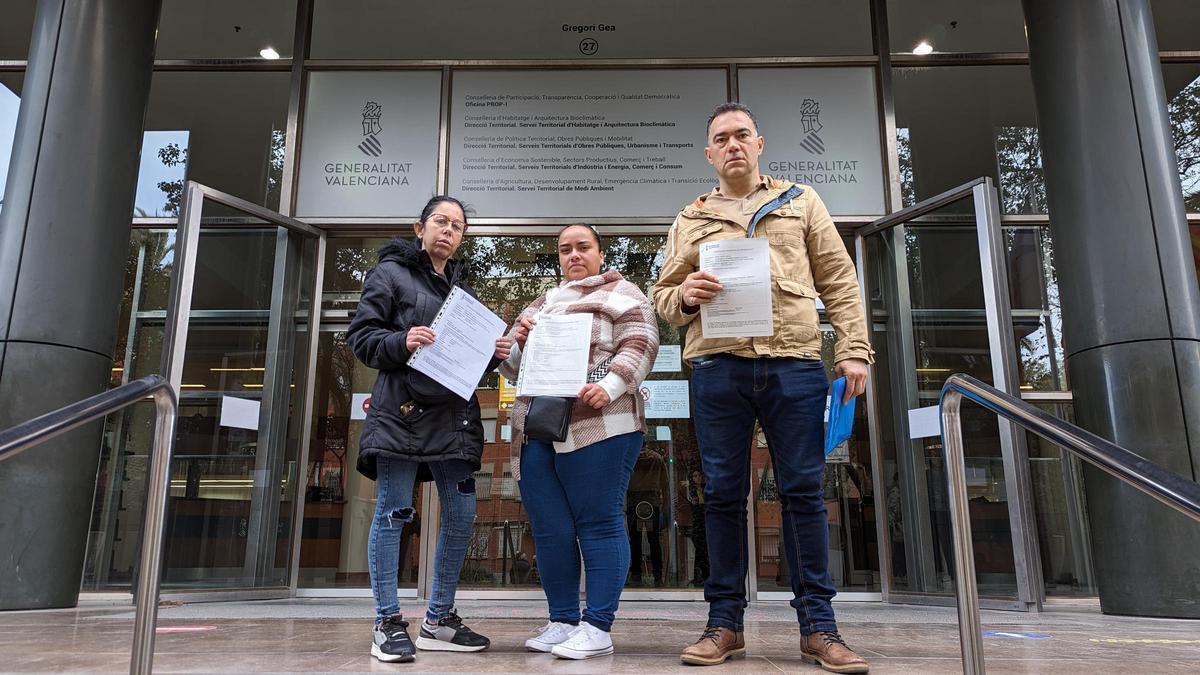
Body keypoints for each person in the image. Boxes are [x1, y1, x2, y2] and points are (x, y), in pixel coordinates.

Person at [652, 102, 874, 674]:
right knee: (723, 493)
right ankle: (724, 624)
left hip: (793, 364)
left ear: (759, 143)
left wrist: (853, 349)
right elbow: (663, 298)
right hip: (718, 367)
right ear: (709, 153)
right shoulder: (689, 217)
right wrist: (687, 295)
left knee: (802, 492)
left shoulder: (801, 202)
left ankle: (819, 628)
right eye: (720, 138)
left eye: (741, 135)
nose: (732, 145)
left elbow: (840, 280)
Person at [347, 195, 512, 663]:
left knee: (461, 515)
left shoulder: (462, 292)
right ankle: (386, 622)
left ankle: (438, 619)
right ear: (420, 228)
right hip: (401, 416)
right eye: (441, 221)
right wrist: (402, 340)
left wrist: (492, 353)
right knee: (394, 513)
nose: (449, 231)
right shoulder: (389, 274)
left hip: (454, 422)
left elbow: (461, 361)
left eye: (458, 226)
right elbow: (362, 337)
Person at [499, 224, 660, 660]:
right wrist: (515, 345)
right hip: (539, 427)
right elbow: (515, 371)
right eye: (565, 249)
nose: (573, 255)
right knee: (550, 530)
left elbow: (641, 343)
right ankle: (563, 619)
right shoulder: (542, 304)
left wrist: (609, 386)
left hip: (601, 423)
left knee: (599, 522)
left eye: (582, 247)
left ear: (600, 253)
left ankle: (598, 625)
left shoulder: (625, 294)